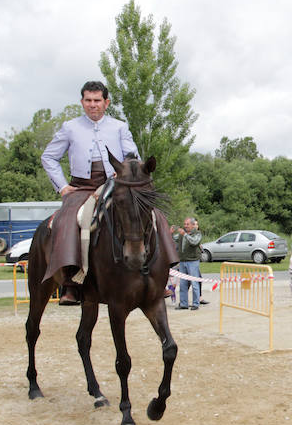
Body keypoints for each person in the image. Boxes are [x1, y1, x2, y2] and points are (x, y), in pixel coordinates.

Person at [40, 80, 178, 306]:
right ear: (82, 101)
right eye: (88, 100)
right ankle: (71, 283)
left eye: (97, 101)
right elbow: (48, 157)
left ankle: (162, 274)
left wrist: (126, 171)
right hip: (81, 186)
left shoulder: (119, 127)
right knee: (66, 220)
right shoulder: (70, 127)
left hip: (115, 183)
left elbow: (132, 154)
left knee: (154, 214)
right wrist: (63, 186)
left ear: (106, 102)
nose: (92, 105)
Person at [172, 217, 202, 310]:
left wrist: (184, 234)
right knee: (183, 283)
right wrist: (171, 233)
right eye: (184, 224)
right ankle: (184, 304)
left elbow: (194, 242)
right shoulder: (182, 234)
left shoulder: (197, 234)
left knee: (194, 283)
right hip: (182, 261)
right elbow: (175, 239)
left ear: (193, 225)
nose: (185, 226)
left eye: (187, 224)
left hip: (193, 261)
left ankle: (196, 304)